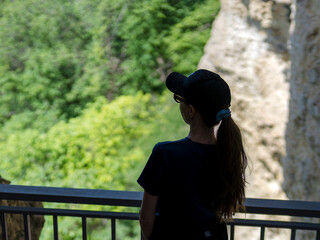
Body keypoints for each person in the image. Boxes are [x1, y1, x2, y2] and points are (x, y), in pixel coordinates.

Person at [137, 69, 247, 240]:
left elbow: (146, 219)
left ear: (191, 111)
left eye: (180, 99)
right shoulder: (227, 154)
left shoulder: (164, 154)